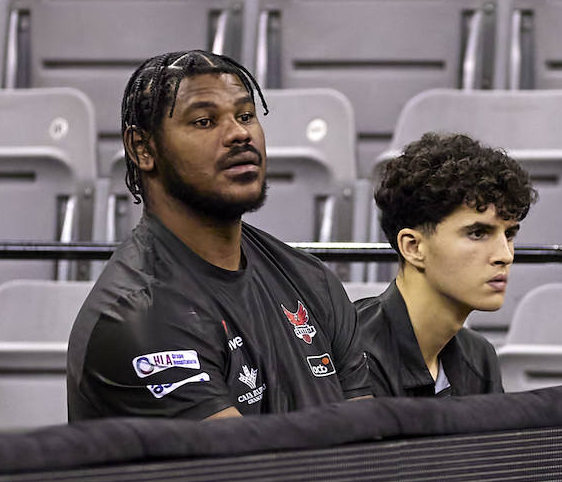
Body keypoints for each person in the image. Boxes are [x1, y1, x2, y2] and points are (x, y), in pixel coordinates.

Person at [67, 50, 372, 420]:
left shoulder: (312, 280)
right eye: (205, 121)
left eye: (245, 116)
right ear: (143, 148)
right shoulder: (137, 316)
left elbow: (367, 447)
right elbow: (249, 473)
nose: (240, 134)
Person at [356, 132, 534, 396]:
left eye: (509, 234)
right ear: (413, 247)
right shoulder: (352, 352)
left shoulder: (480, 357)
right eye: (478, 233)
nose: (505, 255)